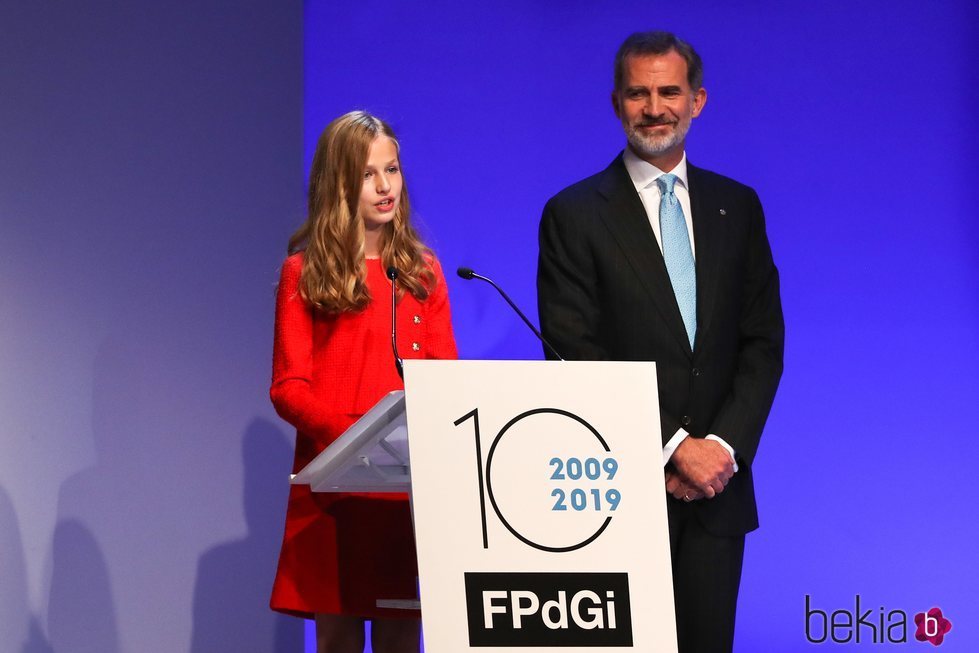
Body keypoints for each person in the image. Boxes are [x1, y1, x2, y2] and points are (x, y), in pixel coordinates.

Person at [537, 31, 784, 653]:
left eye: (669, 91)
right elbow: (572, 354)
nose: (655, 108)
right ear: (616, 103)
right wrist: (673, 447)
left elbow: (763, 343)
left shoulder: (739, 206)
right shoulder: (574, 214)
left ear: (698, 100)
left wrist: (721, 448)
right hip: (616, 492)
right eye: (638, 93)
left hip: (716, 496)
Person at [269, 111, 457, 653]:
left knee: (403, 634)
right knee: (338, 638)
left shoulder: (423, 273)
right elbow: (288, 386)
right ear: (339, 184)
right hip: (335, 485)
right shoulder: (304, 273)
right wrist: (358, 441)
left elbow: (445, 381)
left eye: (392, 170)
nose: (384, 186)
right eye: (367, 174)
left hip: (406, 491)